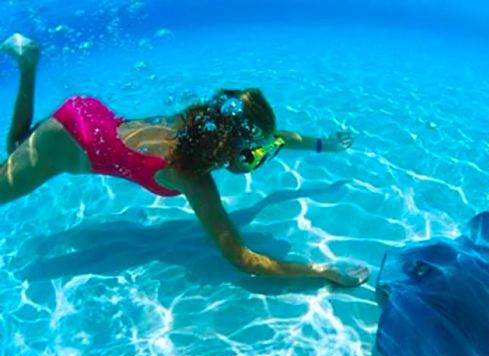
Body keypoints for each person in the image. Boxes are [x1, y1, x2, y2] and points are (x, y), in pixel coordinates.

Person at [0, 33, 369, 287]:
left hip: (89, 114)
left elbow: (279, 138)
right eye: (252, 154)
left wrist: (326, 145)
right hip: (71, 141)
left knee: (16, 143)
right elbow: (242, 259)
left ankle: (28, 63)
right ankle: (29, 63)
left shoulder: (199, 125)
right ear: (230, 146)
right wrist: (322, 270)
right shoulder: (191, 176)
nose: (258, 158)